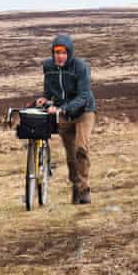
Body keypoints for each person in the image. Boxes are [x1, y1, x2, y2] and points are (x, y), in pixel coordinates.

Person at [35, 34, 97, 204]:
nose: (59, 56)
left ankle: (85, 190)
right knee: (70, 156)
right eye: (56, 52)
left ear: (69, 53)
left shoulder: (81, 67)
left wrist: (63, 108)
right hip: (64, 116)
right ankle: (76, 187)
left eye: (63, 52)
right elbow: (49, 89)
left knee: (80, 149)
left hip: (84, 112)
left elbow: (84, 95)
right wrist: (46, 100)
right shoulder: (48, 66)